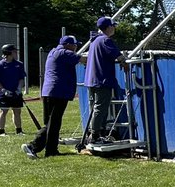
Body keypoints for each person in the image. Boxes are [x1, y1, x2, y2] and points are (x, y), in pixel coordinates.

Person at [23, 36, 81, 159]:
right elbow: (84, 60)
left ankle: (51, 150)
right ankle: (33, 146)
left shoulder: (54, 52)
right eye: (75, 45)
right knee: (53, 123)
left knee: (52, 122)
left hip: (50, 91)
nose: (76, 48)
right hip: (58, 92)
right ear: (68, 45)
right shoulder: (64, 52)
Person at [82, 16, 123, 145]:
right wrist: (124, 61)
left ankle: (96, 134)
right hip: (102, 80)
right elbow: (119, 56)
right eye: (113, 26)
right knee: (100, 108)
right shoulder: (105, 40)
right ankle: (94, 135)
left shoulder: (95, 40)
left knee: (96, 107)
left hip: (92, 79)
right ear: (109, 27)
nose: (114, 28)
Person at [0, 44, 27, 134]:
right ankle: (2, 132)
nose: (16, 53)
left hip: (16, 93)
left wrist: (19, 89)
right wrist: (3, 90)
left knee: (17, 112)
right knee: (3, 111)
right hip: (4, 94)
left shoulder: (19, 64)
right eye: (14, 51)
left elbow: (21, 78)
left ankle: (19, 131)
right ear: (8, 53)